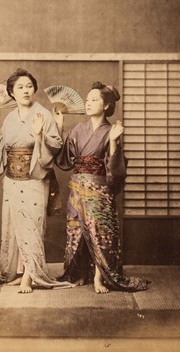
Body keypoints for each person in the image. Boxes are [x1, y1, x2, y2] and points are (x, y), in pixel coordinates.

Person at [54, 81, 149, 293]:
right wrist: (60, 128)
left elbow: (115, 170)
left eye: (94, 100)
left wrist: (114, 143)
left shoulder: (111, 130)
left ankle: (99, 277)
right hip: (76, 187)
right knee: (76, 231)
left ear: (106, 105)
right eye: (87, 100)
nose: (88, 103)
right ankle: (78, 273)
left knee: (99, 233)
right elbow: (66, 159)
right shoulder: (79, 129)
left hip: (99, 189)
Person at [0, 68, 74, 293]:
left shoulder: (43, 114)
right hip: (12, 178)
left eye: (29, 86)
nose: (26, 90)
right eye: (20, 87)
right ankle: (18, 272)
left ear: (34, 88)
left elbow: (55, 144)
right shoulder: (9, 117)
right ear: (12, 92)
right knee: (15, 225)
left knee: (32, 226)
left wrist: (40, 136)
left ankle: (31, 275)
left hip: (35, 176)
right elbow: (2, 144)